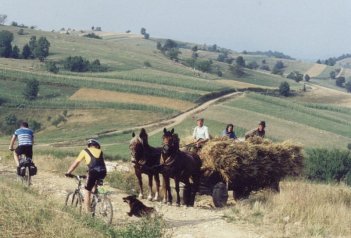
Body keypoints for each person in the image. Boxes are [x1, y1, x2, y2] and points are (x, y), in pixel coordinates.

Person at [65, 139, 107, 213]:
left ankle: (88, 214)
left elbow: (76, 162)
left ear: (89, 145)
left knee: (87, 191)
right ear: (97, 146)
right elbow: (98, 164)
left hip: (93, 172)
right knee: (93, 186)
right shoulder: (100, 152)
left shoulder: (85, 151)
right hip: (103, 172)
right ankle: (96, 198)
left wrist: (69, 172)